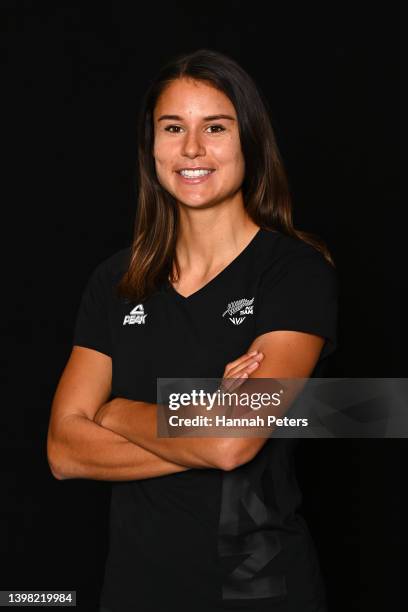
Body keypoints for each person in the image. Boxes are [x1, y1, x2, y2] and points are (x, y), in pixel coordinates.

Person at [47, 48, 338, 612]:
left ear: (248, 141)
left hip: (259, 592)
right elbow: (63, 450)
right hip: (134, 593)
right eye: (173, 127)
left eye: (216, 128)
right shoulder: (117, 280)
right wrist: (207, 422)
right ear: (151, 146)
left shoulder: (295, 272)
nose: (192, 149)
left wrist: (113, 413)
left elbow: (233, 442)